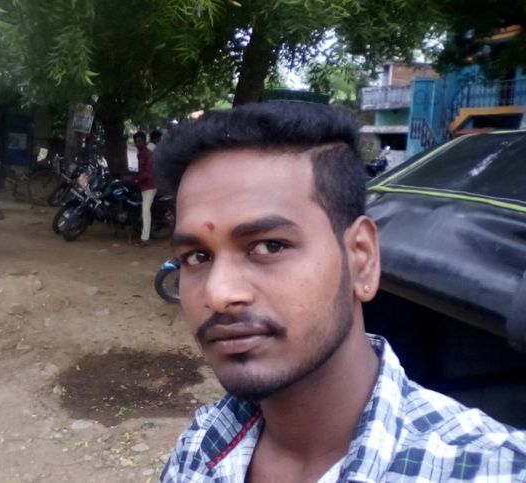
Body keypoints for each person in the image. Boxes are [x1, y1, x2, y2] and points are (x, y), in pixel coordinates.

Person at [153, 102, 526, 482]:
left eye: (269, 246)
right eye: (197, 256)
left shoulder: (490, 469)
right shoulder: (200, 445)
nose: (218, 293)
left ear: (361, 259)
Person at [133, 131, 156, 247]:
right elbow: (141, 170)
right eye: (136, 141)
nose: (138, 143)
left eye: (140, 141)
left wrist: (136, 179)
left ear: (144, 141)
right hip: (143, 185)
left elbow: (148, 173)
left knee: (145, 210)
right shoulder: (140, 153)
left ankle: (145, 238)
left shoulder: (148, 154)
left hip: (150, 186)